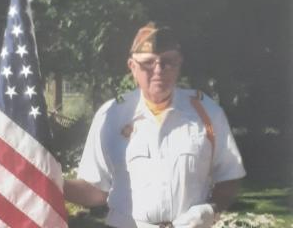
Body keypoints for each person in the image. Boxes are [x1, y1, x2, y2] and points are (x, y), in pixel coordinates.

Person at [64, 22, 246, 228]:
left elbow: (229, 176)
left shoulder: (207, 113)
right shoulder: (111, 115)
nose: (158, 70)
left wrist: (210, 209)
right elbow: (95, 190)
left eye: (168, 62)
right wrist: (50, 182)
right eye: (148, 63)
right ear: (132, 67)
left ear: (179, 64)